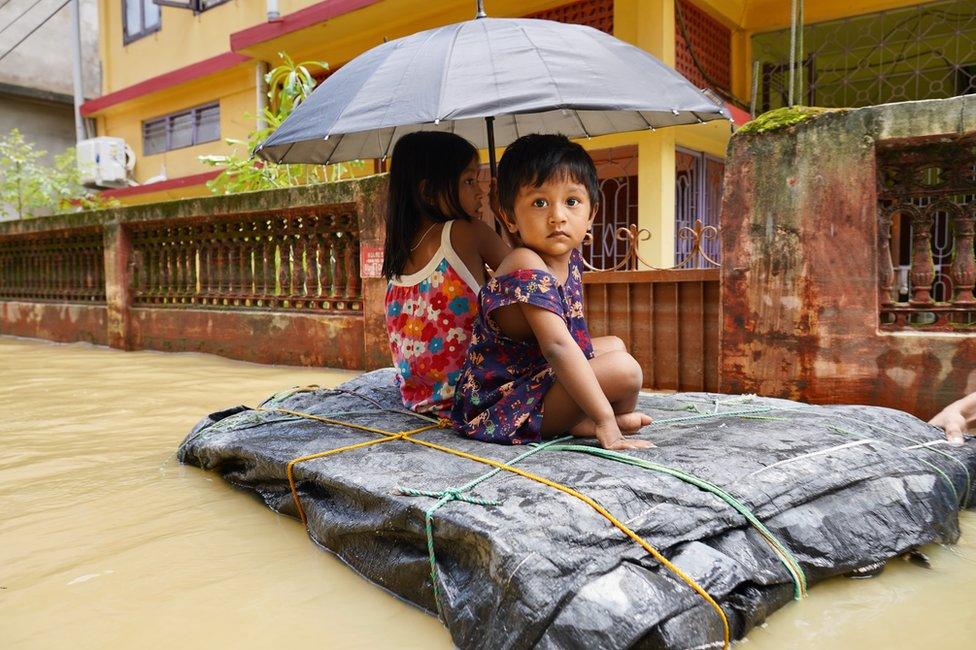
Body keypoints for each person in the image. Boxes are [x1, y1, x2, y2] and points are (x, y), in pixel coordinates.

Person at [451, 134, 652, 450]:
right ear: (509, 218)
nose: (558, 216)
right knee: (624, 369)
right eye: (539, 202)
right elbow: (558, 346)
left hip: (537, 377)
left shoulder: (569, 256)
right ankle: (597, 420)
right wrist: (607, 425)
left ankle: (584, 419)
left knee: (616, 345)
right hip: (501, 405)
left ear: (591, 214)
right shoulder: (524, 263)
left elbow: (574, 340)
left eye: (571, 202)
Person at [384, 132, 510, 418]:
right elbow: (532, 280)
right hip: (481, 394)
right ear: (428, 191)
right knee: (617, 366)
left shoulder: (399, 253)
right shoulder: (466, 232)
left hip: (423, 399)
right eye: (469, 181)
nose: (480, 192)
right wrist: (507, 216)